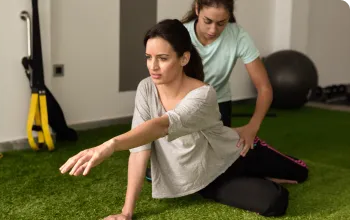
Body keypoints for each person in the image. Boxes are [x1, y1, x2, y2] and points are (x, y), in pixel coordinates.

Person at [59, 19, 308, 219]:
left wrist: (110, 145)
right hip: (204, 176)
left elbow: (161, 125)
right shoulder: (146, 88)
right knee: (268, 202)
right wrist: (126, 213)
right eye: (148, 57)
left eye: (163, 58)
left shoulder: (203, 94)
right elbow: (140, 147)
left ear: (184, 58)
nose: (153, 66)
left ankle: (265, 166)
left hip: (237, 155)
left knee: (291, 185)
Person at [145, 0, 273, 182]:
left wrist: (253, 126)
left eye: (221, 23)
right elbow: (160, 76)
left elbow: (264, 87)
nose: (213, 30)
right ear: (197, 9)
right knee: (185, 162)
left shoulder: (237, 35)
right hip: (180, 104)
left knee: (220, 166)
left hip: (217, 104)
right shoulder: (181, 35)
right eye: (208, 21)